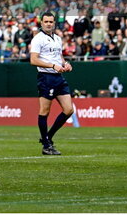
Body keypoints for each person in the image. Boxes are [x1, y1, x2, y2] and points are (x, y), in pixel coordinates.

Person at [30, 13, 74, 156]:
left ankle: (47, 137)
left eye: (51, 21)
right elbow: (33, 60)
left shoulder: (57, 38)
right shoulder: (38, 39)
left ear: (54, 23)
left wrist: (65, 64)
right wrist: (52, 66)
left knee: (69, 110)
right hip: (46, 77)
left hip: (59, 77)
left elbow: (59, 56)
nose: (48, 24)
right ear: (41, 23)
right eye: (46, 21)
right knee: (44, 111)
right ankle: (46, 145)